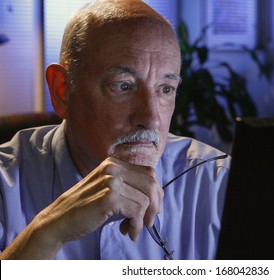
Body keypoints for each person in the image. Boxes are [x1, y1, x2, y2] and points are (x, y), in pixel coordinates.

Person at [0, 0, 230, 260]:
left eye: (165, 89)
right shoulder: (5, 184)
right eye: (123, 86)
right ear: (62, 91)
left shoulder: (218, 183)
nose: (152, 119)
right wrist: (49, 232)